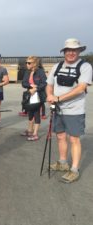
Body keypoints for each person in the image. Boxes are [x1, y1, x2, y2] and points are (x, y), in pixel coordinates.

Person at [46, 38, 92, 183]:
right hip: (58, 110)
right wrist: (49, 96)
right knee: (60, 136)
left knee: (74, 139)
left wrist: (59, 98)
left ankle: (74, 170)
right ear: (64, 52)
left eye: (74, 50)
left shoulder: (85, 67)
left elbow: (80, 88)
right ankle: (63, 163)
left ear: (79, 51)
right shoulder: (57, 66)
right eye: (68, 50)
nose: (71, 53)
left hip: (75, 110)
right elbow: (49, 84)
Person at [20, 56, 47, 141]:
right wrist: (30, 86)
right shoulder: (27, 72)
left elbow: (44, 83)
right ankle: (29, 130)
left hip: (38, 96)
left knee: (36, 114)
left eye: (29, 63)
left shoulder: (40, 72)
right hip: (29, 95)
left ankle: (35, 134)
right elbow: (24, 83)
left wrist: (36, 88)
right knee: (30, 113)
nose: (27, 64)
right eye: (26, 63)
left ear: (34, 63)